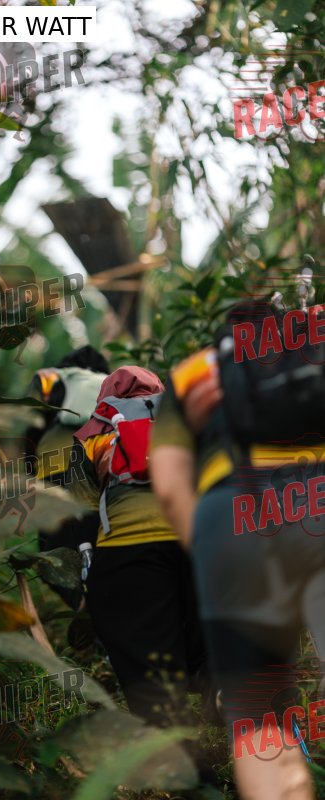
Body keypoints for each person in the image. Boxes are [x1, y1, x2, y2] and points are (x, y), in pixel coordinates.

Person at [150, 299, 325, 800]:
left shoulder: (192, 373)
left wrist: (212, 555)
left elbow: (169, 488)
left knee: (259, 719)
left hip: (228, 519)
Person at [66, 365, 209, 727]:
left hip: (127, 548)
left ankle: (176, 743)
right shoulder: (184, 417)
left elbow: (80, 509)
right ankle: (220, 692)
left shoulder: (93, 432)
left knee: (145, 655)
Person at [24, 345, 110, 611]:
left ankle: (80, 603)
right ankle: (104, 605)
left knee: (52, 550)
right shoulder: (111, 385)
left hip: (54, 466)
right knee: (97, 541)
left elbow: (30, 429)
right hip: (99, 466)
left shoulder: (51, 381)